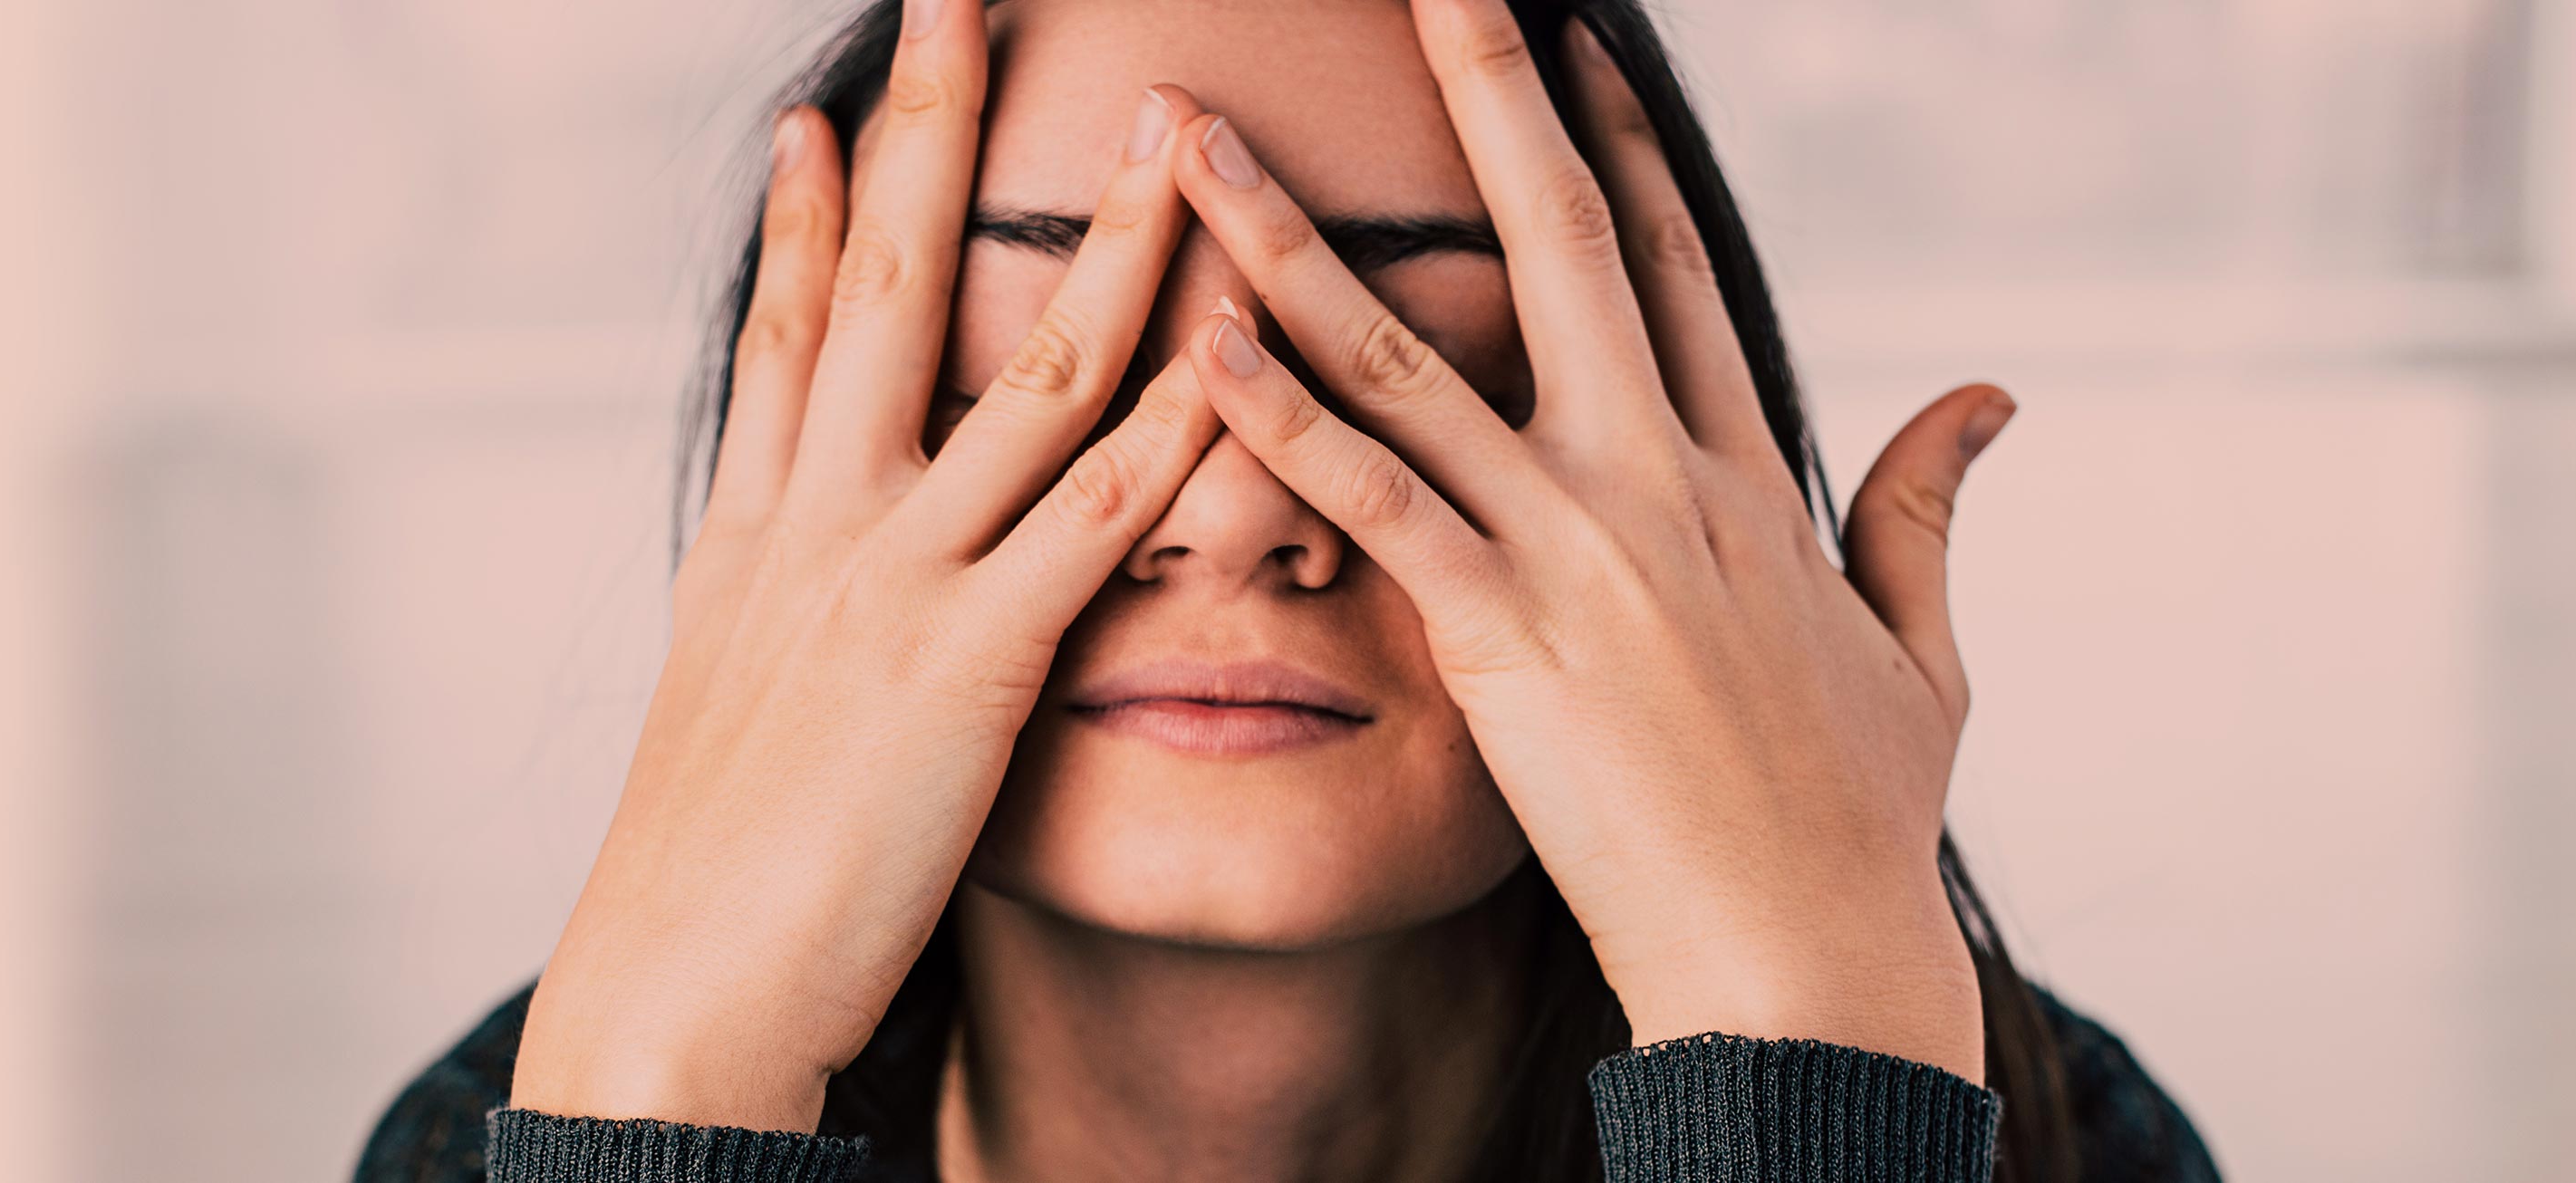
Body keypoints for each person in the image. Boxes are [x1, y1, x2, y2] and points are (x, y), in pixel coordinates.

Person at [359, 0, 2215, 1179]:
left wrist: (1806, 1044)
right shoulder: (501, 1135)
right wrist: (664, 1094)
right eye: (1058, 355)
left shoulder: (2026, 1137)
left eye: (1403, 332)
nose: (1237, 511)